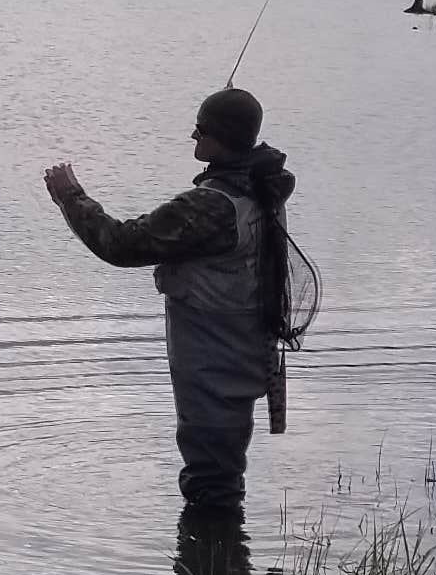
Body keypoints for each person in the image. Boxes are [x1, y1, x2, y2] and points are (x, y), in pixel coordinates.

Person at [45, 87, 297, 521]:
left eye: (201, 130)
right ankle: (222, 574)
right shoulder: (263, 185)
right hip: (245, 348)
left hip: (213, 356)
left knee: (211, 480)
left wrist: (71, 196)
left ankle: (213, 567)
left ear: (222, 138)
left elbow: (122, 245)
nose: (194, 137)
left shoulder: (211, 205)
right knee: (222, 469)